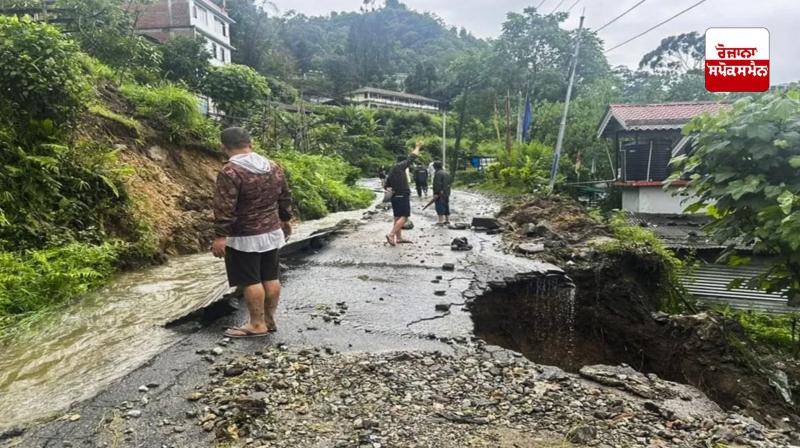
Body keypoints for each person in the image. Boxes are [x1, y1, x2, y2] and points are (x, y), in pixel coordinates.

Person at [212, 127, 292, 338]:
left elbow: (224, 207)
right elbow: (285, 196)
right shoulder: (273, 166)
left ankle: (257, 324)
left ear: (223, 147)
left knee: (250, 280)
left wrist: (220, 236)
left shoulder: (230, 172)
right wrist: (285, 219)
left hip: (243, 237)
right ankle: (269, 319)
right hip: (272, 232)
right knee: (271, 276)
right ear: (251, 143)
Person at [384, 142, 423, 246]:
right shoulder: (400, 167)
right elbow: (412, 157)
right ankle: (391, 234)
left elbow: (386, 186)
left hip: (395, 196)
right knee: (405, 217)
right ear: (403, 162)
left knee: (397, 217)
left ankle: (399, 238)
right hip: (402, 194)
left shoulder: (392, 169)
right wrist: (417, 147)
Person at [432, 160, 451, 226]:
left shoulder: (438, 173)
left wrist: (436, 193)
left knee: (439, 206)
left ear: (435, 167)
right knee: (446, 206)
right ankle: (447, 220)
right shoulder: (446, 173)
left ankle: (440, 221)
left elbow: (437, 184)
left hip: (440, 193)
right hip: (447, 192)